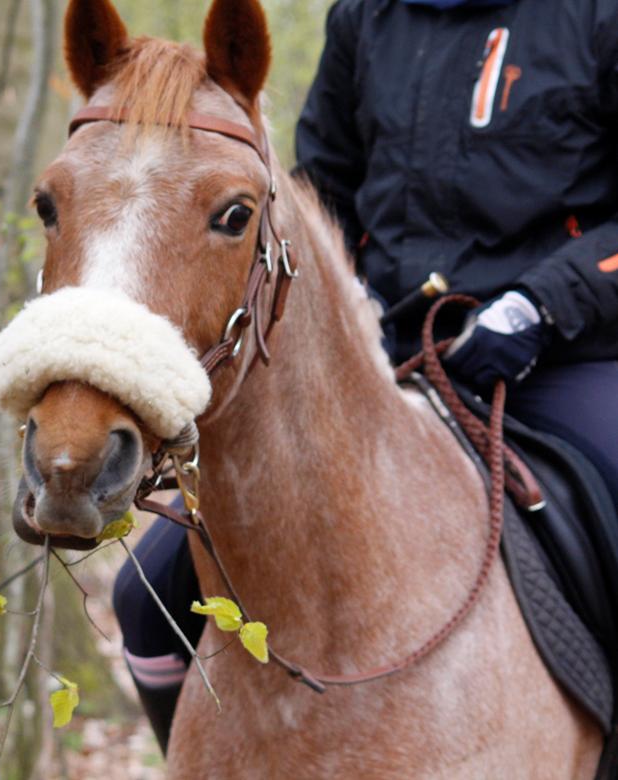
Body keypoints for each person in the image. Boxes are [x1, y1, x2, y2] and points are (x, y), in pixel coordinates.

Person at [113, 0, 618, 754]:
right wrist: (353, 305)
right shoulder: (367, 17)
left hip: (562, 356)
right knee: (146, 596)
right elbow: (321, 192)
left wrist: (539, 308)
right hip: (383, 360)